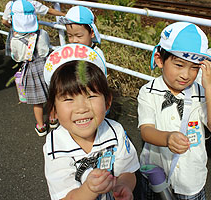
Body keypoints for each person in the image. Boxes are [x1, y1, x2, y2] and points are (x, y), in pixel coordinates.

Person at [138, 22, 211, 199]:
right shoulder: (148, 91)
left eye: (194, 68)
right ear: (159, 60)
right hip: (157, 174)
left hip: (191, 179)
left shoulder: (202, 93)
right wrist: (167, 138)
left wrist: (210, 86)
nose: (186, 75)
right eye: (179, 65)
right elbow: (146, 131)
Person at [43, 43, 140, 200]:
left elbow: (128, 171)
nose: (81, 108)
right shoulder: (56, 145)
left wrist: (124, 186)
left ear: (107, 102)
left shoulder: (115, 131)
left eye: (91, 96)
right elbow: (65, 197)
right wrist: (89, 189)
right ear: (53, 109)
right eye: (68, 99)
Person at [9, 0, 51, 136]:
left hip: (30, 70)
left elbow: (17, 58)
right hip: (45, 67)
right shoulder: (42, 34)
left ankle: (41, 127)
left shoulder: (15, 41)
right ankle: (54, 118)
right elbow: (45, 52)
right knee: (51, 96)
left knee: (37, 102)